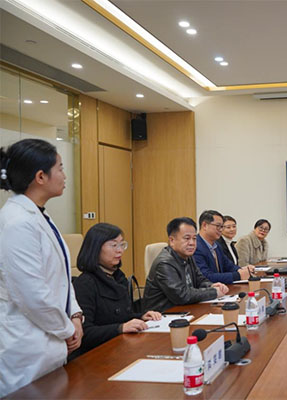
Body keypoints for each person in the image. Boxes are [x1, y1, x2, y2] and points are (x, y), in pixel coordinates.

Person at [0, 139, 83, 396]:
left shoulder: (39, 216)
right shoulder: (16, 222)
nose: (64, 176)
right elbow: (31, 294)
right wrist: (66, 329)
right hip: (28, 346)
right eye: (60, 168)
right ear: (40, 177)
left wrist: (75, 316)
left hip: (51, 338)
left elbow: (62, 277)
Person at [71, 223, 162, 359]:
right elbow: (85, 332)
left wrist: (141, 316)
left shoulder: (118, 277)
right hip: (96, 356)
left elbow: (121, 316)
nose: (120, 251)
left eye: (122, 245)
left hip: (119, 348)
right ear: (96, 248)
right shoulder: (85, 283)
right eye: (114, 245)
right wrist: (120, 328)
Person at [143, 217, 228, 312]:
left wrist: (212, 286)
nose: (192, 243)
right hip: (163, 314)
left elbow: (200, 280)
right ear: (172, 240)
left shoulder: (188, 256)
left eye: (194, 238)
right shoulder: (164, 263)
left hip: (185, 309)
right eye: (187, 238)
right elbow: (182, 295)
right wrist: (214, 292)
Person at [193, 210, 255, 284]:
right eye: (218, 226)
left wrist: (242, 270)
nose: (221, 230)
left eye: (222, 227)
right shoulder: (195, 247)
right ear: (204, 225)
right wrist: (238, 275)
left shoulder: (216, 245)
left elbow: (228, 265)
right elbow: (206, 276)